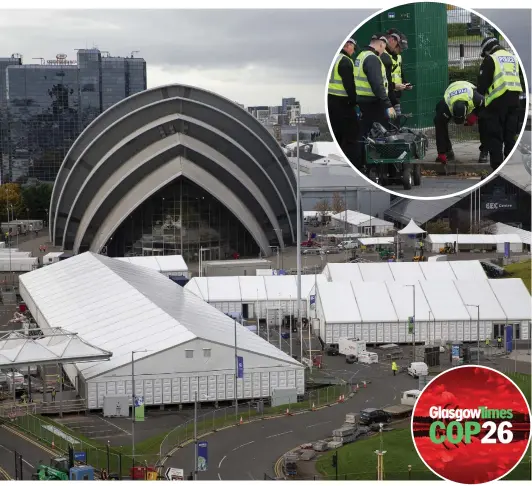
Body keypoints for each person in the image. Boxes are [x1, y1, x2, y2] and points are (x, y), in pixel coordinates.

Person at [477, 37, 525, 170]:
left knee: (495, 137)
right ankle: (512, 169)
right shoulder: (513, 57)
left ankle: (497, 170)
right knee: (510, 137)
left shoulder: (491, 59)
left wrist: (479, 105)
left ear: (487, 50)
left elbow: (482, 86)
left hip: (496, 104)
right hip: (514, 103)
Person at [354, 33, 396, 170]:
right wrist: (388, 105)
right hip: (374, 102)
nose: (384, 51)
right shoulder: (372, 59)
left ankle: (361, 164)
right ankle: (385, 167)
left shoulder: (360, 56)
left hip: (363, 101)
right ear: (381, 44)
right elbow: (377, 84)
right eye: (384, 47)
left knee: (364, 133)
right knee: (382, 134)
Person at [433, 81, 485, 164]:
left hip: (467, 86)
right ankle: (447, 151)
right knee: (440, 123)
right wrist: (441, 152)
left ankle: (485, 151)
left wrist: (475, 115)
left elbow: (486, 104)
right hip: (452, 88)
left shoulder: (476, 98)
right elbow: (439, 127)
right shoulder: (444, 105)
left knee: (486, 119)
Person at [327, 38, 360, 163]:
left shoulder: (335, 58)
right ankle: (353, 162)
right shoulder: (345, 61)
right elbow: (350, 86)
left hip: (331, 102)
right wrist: (355, 102)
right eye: (353, 48)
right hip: (343, 104)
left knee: (337, 134)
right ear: (348, 45)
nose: (353, 51)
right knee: (352, 135)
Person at [381, 29, 413, 115]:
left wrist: (405, 84)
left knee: (396, 120)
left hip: (396, 95)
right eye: (400, 47)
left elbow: (400, 74)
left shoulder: (399, 57)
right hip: (386, 95)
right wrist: (394, 86)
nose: (401, 50)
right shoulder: (383, 55)